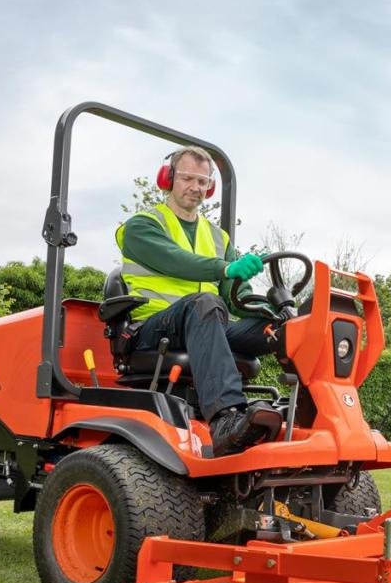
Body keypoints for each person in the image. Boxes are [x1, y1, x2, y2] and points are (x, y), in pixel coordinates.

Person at [116, 146, 283, 457]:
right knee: (205, 302)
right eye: (187, 178)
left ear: (211, 187)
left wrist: (269, 308)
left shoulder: (219, 238)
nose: (195, 187)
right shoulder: (141, 226)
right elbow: (175, 260)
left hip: (207, 324)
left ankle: (304, 413)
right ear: (167, 179)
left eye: (203, 181)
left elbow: (236, 297)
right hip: (154, 328)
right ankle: (225, 419)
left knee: (281, 324)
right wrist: (225, 268)